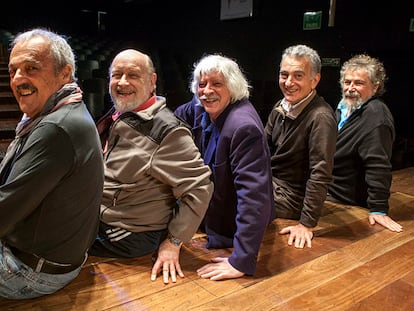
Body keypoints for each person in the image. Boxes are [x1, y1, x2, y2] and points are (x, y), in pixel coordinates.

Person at [88, 49, 213, 284]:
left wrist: (174, 242)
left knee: (51, 242)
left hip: (127, 232)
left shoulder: (168, 132)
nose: (123, 82)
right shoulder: (122, 113)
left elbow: (200, 189)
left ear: (152, 81)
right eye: (117, 75)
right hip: (102, 216)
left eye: (133, 75)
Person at [0, 28, 104, 299]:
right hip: (54, 258)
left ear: (64, 73)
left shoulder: (56, 128)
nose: (18, 79)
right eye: (13, 71)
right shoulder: (65, 109)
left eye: (31, 68)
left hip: (31, 271)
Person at [174, 54, 275, 281]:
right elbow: (179, 114)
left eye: (217, 84)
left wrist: (241, 260)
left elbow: (254, 198)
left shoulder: (243, 127)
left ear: (233, 87)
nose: (207, 91)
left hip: (229, 225)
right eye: (202, 84)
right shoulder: (203, 107)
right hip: (210, 214)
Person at [265, 44, 337, 249]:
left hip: (291, 197)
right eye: (284, 74)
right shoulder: (281, 106)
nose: (289, 82)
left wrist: (306, 224)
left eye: (298, 76)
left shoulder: (321, 117)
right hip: (271, 183)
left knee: (226, 195)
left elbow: (320, 173)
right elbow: (262, 149)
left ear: (314, 80)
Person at [326, 54, 402, 232]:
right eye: (347, 82)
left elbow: (378, 165)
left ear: (375, 87)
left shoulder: (376, 116)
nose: (351, 88)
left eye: (358, 83)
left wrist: (378, 208)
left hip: (343, 199)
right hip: (327, 189)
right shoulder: (345, 107)